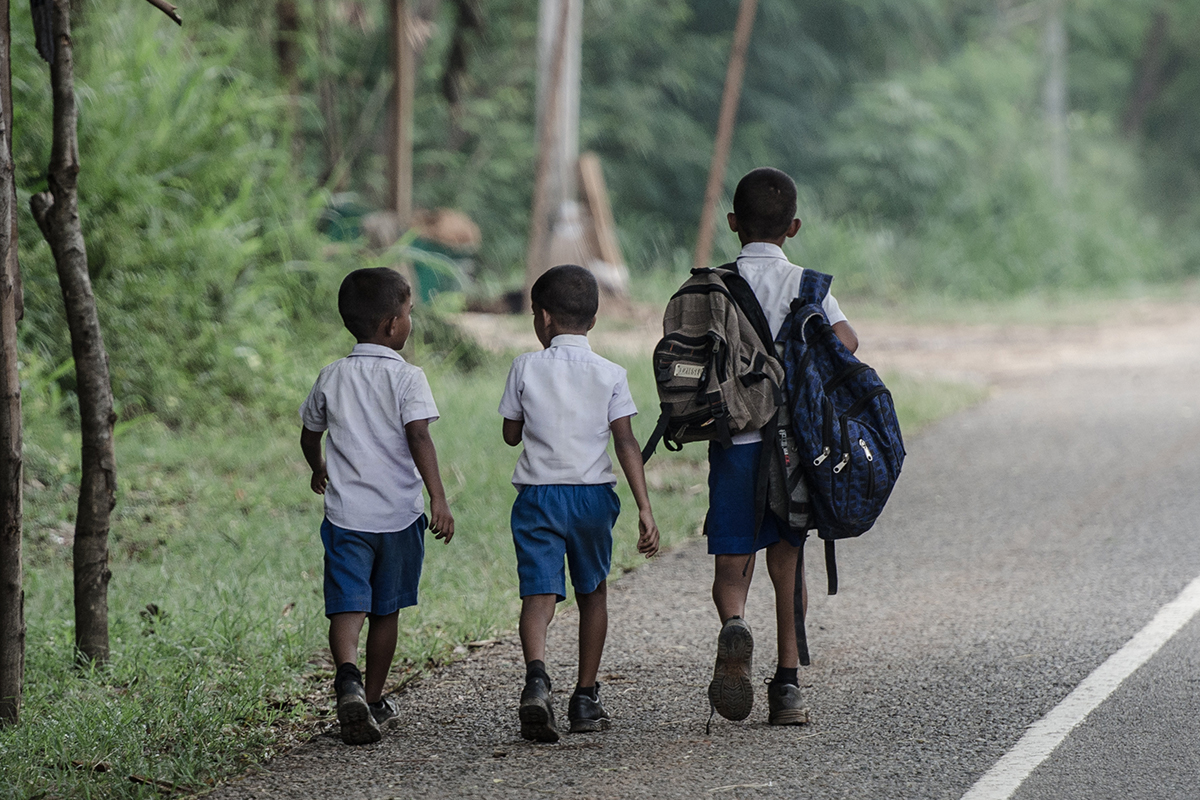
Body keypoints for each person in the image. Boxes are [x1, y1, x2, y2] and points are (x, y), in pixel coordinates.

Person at [706, 167, 859, 726]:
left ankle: (734, 625)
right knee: (788, 562)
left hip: (735, 442)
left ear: (733, 224)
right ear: (793, 227)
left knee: (733, 560)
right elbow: (847, 341)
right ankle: (788, 685)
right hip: (794, 446)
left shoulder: (713, 286)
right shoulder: (806, 285)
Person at [499, 264, 660, 743]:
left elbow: (510, 435)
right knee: (593, 594)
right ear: (592, 320)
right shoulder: (611, 373)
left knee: (538, 594)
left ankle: (536, 679)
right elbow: (626, 442)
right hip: (592, 499)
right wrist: (644, 507)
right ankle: (585, 698)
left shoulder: (525, 366)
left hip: (538, 497)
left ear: (544, 318)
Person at [299, 267, 455, 745]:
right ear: (391, 325)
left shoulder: (331, 375)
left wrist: (318, 467)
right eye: (409, 313)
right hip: (398, 518)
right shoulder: (408, 377)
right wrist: (438, 496)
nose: (410, 321)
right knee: (386, 610)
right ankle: (372, 697)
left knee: (347, 605)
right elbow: (419, 436)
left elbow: (309, 433)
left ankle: (347, 677)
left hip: (346, 518)